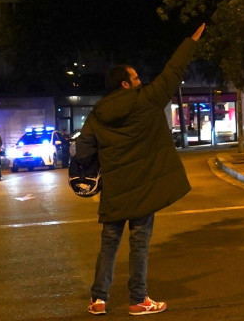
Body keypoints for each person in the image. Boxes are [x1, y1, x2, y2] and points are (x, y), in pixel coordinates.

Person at [76, 23, 205, 316]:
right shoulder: (147, 100)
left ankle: (98, 300)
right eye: (135, 77)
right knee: (139, 244)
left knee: (108, 244)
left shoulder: (97, 114)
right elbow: (174, 71)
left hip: (115, 190)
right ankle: (138, 300)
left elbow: (83, 151)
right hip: (143, 190)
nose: (140, 80)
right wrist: (191, 41)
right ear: (125, 83)